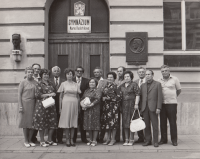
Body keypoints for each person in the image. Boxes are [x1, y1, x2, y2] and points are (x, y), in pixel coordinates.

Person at [32, 69, 58, 147]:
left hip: (51, 106)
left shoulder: (51, 83)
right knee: (41, 123)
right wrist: (49, 94)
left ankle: (49, 140)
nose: (46, 75)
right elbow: (38, 95)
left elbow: (55, 92)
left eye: (47, 74)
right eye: (44, 74)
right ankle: (42, 141)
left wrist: (53, 94)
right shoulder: (39, 83)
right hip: (42, 106)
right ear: (41, 75)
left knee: (52, 123)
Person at [158, 65, 181, 146]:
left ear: (169, 71)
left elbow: (179, 90)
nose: (164, 72)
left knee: (172, 122)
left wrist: (173, 97)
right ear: (161, 72)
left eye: (166, 70)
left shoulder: (175, 79)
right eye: (163, 71)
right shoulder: (159, 80)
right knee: (162, 122)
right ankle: (163, 139)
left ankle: (174, 140)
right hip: (162, 104)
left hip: (172, 104)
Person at [57, 68, 81, 147]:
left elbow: (78, 96)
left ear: (73, 75)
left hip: (74, 103)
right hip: (65, 103)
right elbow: (60, 97)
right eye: (68, 74)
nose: (69, 75)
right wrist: (60, 108)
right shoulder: (63, 84)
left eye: (71, 74)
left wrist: (78, 107)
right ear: (65, 75)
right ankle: (67, 139)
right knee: (66, 122)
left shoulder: (76, 84)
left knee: (73, 122)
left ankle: (71, 139)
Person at [140, 70, 162, 147]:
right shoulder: (142, 85)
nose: (147, 76)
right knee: (146, 125)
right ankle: (148, 140)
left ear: (152, 75)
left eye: (149, 74)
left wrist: (158, 107)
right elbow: (141, 97)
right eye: (146, 74)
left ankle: (155, 141)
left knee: (155, 125)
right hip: (144, 108)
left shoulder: (158, 84)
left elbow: (160, 97)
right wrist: (141, 108)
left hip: (154, 108)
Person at [18, 66, 37, 148]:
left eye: (31, 72)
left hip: (34, 103)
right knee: (25, 123)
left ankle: (30, 140)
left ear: (33, 73)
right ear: (26, 72)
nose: (30, 73)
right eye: (28, 72)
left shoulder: (35, 82)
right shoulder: (22, 82)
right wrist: (20, 106)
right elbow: (19, 94)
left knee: (33, 123)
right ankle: (26, 140)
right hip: (25, 103)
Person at [101, 72, 122, 146]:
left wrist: (109, 98)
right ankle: (108, 139)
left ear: (114, 78)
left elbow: (119, 97)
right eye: (108, 77)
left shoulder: (116, 86)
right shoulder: (106, 86)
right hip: (106, 107)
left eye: (111, 77)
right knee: (107, 124)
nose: (109, 79)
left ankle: (113, 139)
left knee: (113, 124)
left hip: (113, 107)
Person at [120, 71, 140, 146]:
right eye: (125, 77)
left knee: (132, 123)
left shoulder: (134, 84)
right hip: (124, 106)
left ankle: (131, 139)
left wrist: (136, 104)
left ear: (131, 77)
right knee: (125, 123)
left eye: (128, 76)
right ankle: (126, 139)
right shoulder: (122, 85)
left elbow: (138, 94)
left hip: (132, 105)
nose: (126, 78)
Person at [81, 78, 101, 146]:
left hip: (94, 109)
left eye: (93, 82)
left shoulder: (98, 90)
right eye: (90, 82)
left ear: (96, 83)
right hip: (87, 110)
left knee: (95, 124)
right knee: (88, 124)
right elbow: (82, 98)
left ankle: (94, 140)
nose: (91, 83)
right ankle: (91, 139)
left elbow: (97, 99)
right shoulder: (86, 90)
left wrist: (90, 105)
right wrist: (82, 104)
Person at [73, 66, 89, 143]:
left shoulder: (86, 81)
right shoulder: (71, 80)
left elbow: (87, 92)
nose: (79, 72)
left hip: (83, 103)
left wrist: (84, 102)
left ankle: (84, 138)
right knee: (74, 120)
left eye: (81, 71)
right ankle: (73, 138)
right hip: (73, 103)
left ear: (82, 72)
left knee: (83, 121)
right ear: (75, 72)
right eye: (77, 71)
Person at [49, 66, 65, 144]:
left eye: (57, 71)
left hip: (61, 103)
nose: (56, 72)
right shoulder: (48, 81)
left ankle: (60, 138)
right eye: (54, 71)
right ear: (52, 72)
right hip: (51, 103)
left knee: (60, 121)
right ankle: (52, 138)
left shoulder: (64, 81)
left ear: (60, 72)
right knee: (52, 121)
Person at [93, 67, 107, 143]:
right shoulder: (92, 81)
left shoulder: (105, 81)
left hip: (102, 104)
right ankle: (95, 137)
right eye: (95, 72)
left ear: (101, 73)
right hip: (94, 105)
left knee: (102, 121)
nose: (96, 74)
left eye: (98, 72)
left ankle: (101, 137)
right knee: (95, 120)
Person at [133, 67, 146, 143]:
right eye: (139, 72)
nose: (141, 73)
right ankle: (140, 137)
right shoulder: (135, 82)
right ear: (137, 73)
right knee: (138, 121)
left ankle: (147, 137)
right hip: (137, 104)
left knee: (146, 121)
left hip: (146, 104)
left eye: (142, 72)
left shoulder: (148, 81)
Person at [31, 63, 41, 143]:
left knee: (37, 120)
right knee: (31, 120)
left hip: (39, 102)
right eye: (35, 68)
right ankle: (29, 138)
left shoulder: (41, 79)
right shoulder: (28, 78)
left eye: (38, 69)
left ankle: (34, 137)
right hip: (30, 102)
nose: (36, 70)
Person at [115, 66, 126, 142]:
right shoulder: (115, 81)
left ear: (124, 72)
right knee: (116, 120)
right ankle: (117, 138)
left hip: (124, 102)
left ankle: (125, 138)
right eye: (118, 71)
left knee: (125, 121)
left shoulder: (126, 80)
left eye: (121, 71)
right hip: (116, 103)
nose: (119, 72)